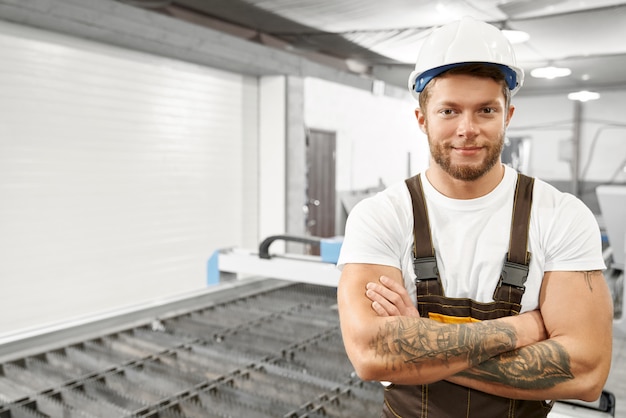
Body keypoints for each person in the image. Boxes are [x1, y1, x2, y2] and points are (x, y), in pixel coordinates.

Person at [336, 17, 613, 417]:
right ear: (422, 119)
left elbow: (586, 372)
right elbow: (369, 352)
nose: (467, 129)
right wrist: (524, 329)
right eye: (449, 111)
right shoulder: (380, 216)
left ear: (508, 116)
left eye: (485, 110)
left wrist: (416, 348)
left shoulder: (561, 216)